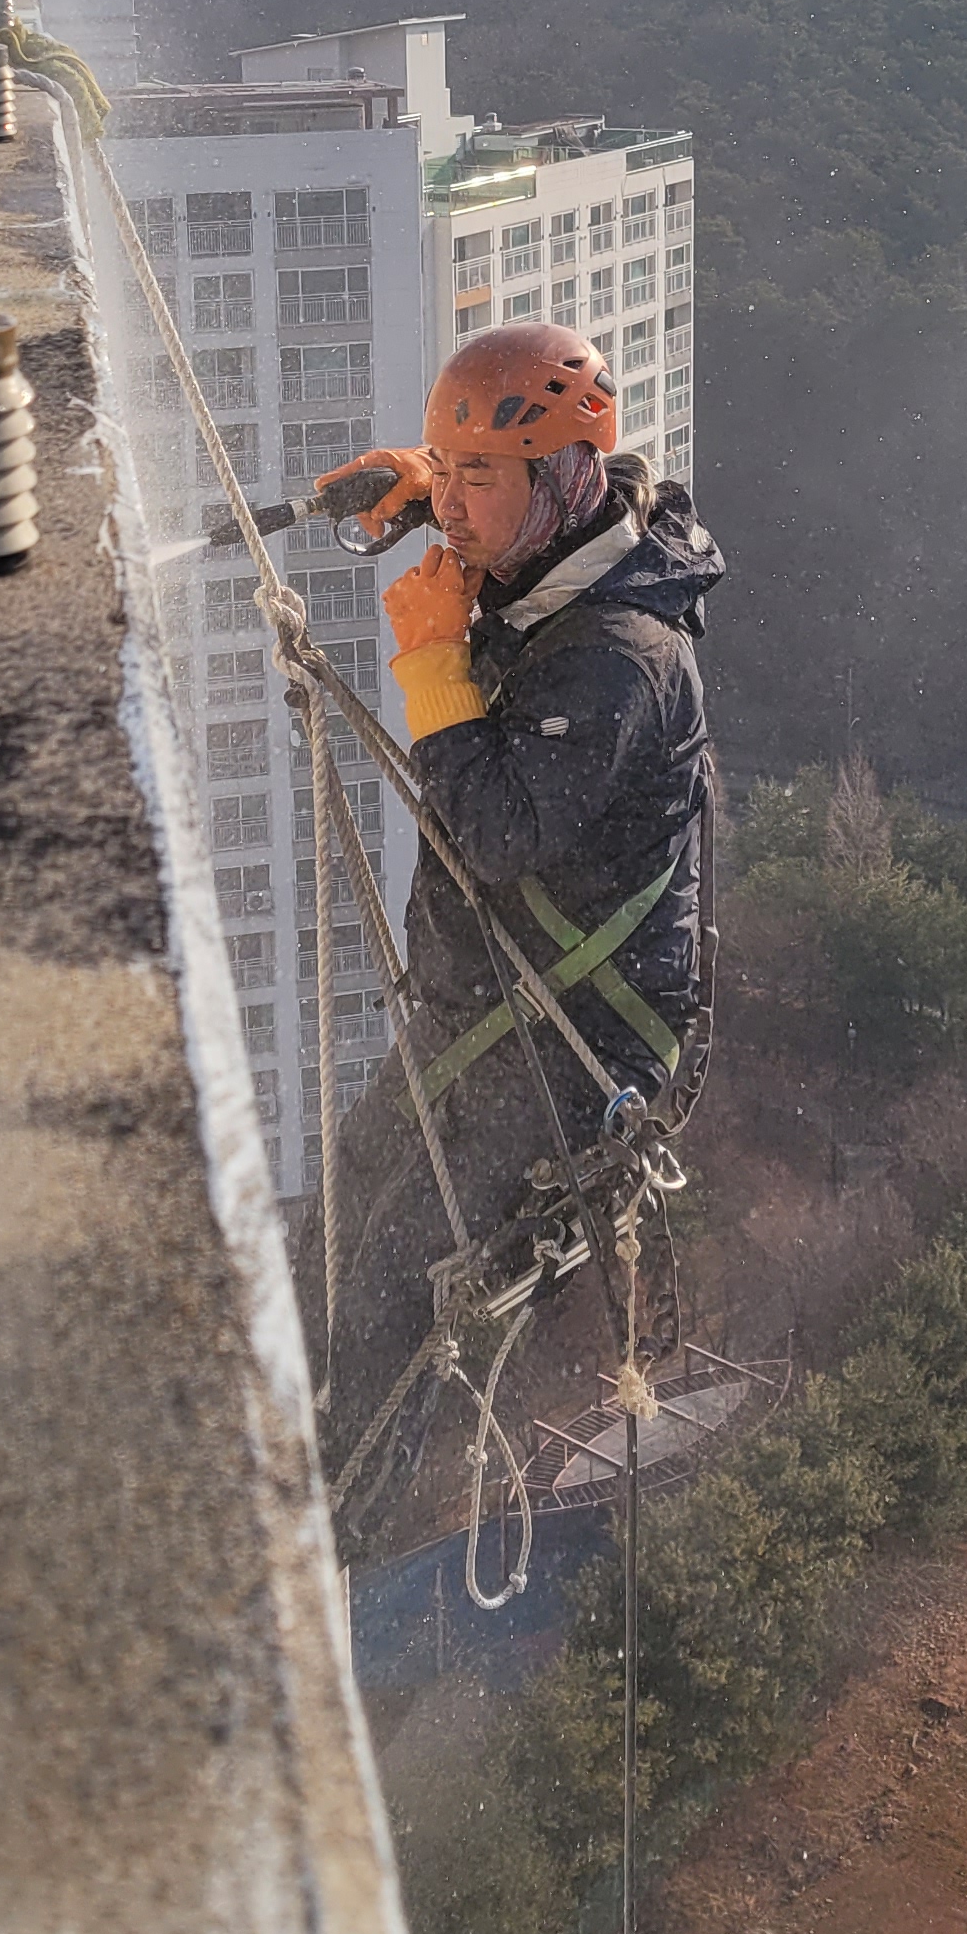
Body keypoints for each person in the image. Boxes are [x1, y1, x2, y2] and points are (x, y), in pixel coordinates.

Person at [313, 321, 723, 1479]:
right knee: (328, 1245)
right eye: (450, 474)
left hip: (577, 1044)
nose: (452, 508)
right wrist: (438, 480)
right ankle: (280, 1464)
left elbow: (495, 834)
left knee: (387, 1305)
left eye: (482, 477)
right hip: (492, 1015)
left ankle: (322, 1534)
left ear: (563, 479)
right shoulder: (559, 557)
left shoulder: (623, 657)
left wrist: (435, 665)